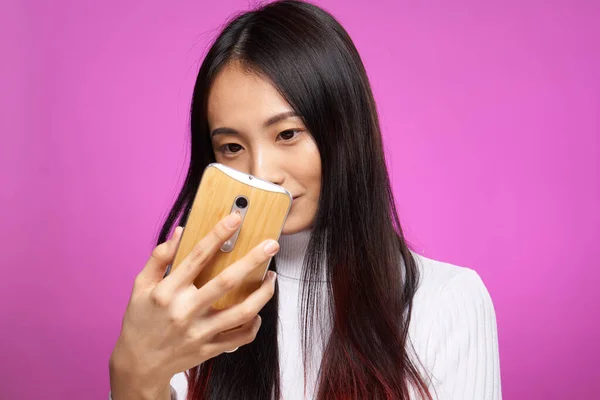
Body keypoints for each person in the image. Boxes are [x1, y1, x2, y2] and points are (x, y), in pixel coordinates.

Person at [108, 1, 502, 399]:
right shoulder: (191, 304)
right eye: (231, 146)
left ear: (345, 129)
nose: (261, 173)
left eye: (287, 134)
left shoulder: (447, 300)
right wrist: (132, 375)